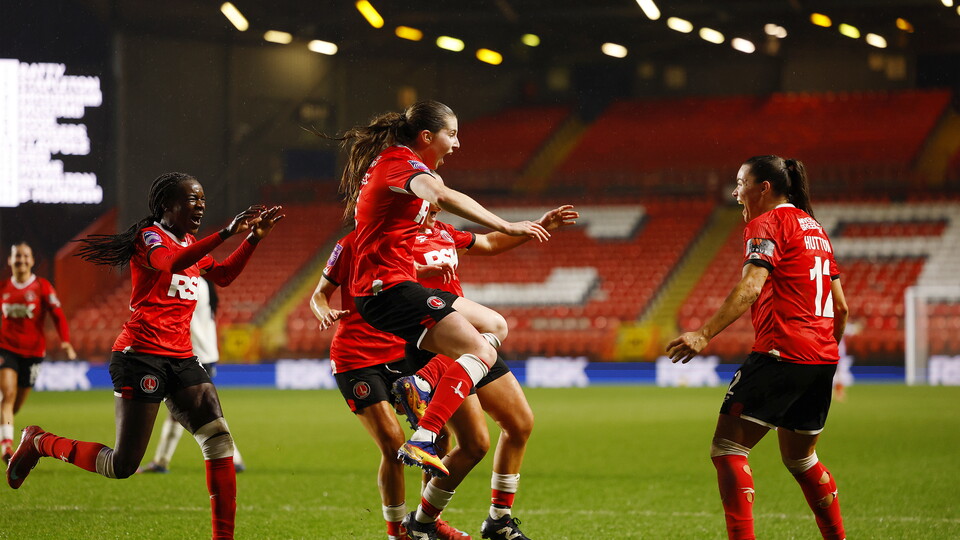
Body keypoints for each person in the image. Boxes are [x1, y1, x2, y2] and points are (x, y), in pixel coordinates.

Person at [315, 99, 551, 538]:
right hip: (386, 292)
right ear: (427, 137)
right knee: (485, 340)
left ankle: (453, 521)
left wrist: (530, 227)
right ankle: (424, 422)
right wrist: (509, 222)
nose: (458, 143)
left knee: (510, 410)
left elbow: (476, 236)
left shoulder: (424, 210)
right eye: (453, 134)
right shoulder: (397, 166)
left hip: (410, 301)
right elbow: (440, 193)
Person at [5, 172, 283, 540]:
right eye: (192, 199)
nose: (200, 206)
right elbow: (170, 263)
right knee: (122, 465)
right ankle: (40, 441)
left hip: (182, 358)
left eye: (202, 200)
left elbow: (225, 275)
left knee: (218, 439)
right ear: (167, 206)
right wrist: (226, 232)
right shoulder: (149, 237)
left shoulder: (189, 242)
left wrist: (251, 239)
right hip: (140, 357)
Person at [666, 155, 848, 540]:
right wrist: (822, 353)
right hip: (822, 358)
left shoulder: (765, 224)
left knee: (728, 448)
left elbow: (751, 288)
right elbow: (841, 307)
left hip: (781, 351)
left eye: (740, 182)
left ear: (763, 187)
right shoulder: (815, 227)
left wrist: (703, 334)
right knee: (801, 458)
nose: (735, 192)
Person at [392, 203, 577, 540]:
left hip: (471, 342)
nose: (433, 209)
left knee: (519, 424)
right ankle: (422, 522)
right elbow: (388, 292)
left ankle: (499, 520)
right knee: (475, 444)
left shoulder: (444, 232)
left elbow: (490, 244)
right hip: (435, 344)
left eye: (436, 204)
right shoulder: (393, 241)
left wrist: (535, 226)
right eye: (426, 203)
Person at [310, 230, 470, 540]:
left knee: (439, 436)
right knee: (394, 444)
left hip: (402, 353)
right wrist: (324, 311)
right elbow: (319, 293)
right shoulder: (348, 243)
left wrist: (428, 273)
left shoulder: (403, 238)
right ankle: (397, 533)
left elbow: (402, 279)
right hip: (356, 358)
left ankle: (428, 521)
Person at [138, 276, 246, 474]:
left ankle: (233, 458)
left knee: (203, 411)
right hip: (203, 354)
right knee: (181, 410)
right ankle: (161, 461)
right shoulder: (204, 284)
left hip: (192, 355)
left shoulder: (190, 282)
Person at [1, 242, 77, 464]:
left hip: (33, 353)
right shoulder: (3, 287)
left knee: (14, 405)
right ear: (10, 260)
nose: (21, 260)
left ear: (32, 261)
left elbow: (58, 315)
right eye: (17, 256)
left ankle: (3, 429)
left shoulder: (42, 287)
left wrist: (65, 343)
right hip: (6, 349)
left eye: (25, 256)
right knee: (7, 395)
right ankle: (6, 449)